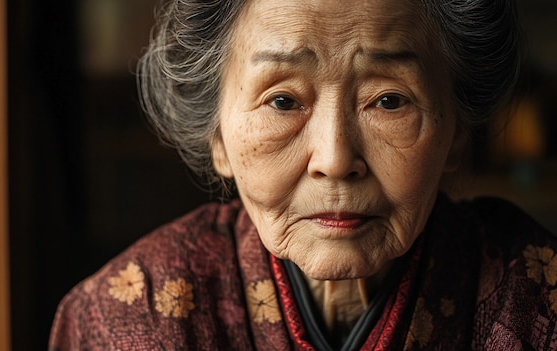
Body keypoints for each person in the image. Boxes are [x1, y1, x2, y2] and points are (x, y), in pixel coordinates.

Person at [49, 0, 557, 349]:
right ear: (218, 138)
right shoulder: (124, 320)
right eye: (283, 100)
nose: (335, 159)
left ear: (458, 136)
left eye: (388, 100)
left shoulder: (538, 302)